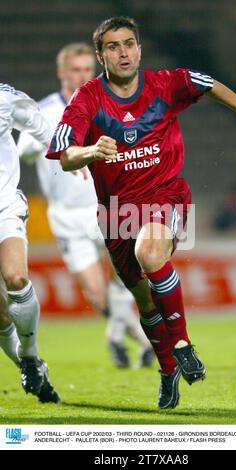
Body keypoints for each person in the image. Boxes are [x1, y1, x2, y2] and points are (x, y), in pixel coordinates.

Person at [46, 17, 236, 409]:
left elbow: (209, 83)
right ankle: (168, 370)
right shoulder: (87, 98)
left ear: (139, 48)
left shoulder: (166, 83)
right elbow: (65, 155)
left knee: (150, 254)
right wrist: (90, 151)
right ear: (101, 56)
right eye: (113, 47)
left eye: (129, 44)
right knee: (145, 303)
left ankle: (182, 343)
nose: (123, 52)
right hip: (116, 212)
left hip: (165, 195)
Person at [17, 43, 154, 369]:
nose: (82, 76)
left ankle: (135, 340)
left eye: (86, 70)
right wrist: (60, 146)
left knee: (128, 276)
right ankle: (137, 338)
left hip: (108, 205)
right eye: (75, 70)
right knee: (96, 294)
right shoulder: (44, 110)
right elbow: (24, 151)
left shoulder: (107, 103)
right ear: (62, 73)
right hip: (66, 214)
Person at [0, 83, 60, 403]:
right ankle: (31, 366)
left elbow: (44, 129)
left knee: (17, 277)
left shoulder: (4, 99)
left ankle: (32, 353)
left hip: (4, 206)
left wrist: (68, 153)